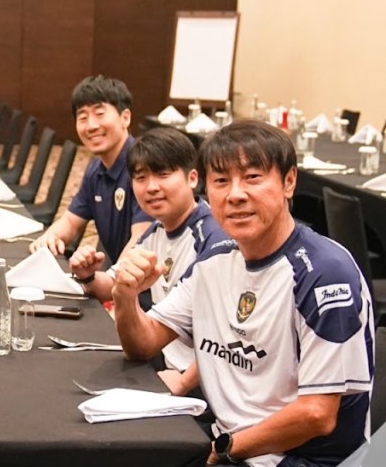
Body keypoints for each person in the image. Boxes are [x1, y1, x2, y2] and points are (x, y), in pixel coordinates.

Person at [112, 120, 374, 466]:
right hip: (230, 442)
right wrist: (125, 296)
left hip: (298, 459)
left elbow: (317, 415)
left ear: (289, 182)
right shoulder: (216, 260)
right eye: (221, 181)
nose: (235, 194)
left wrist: (225, 448)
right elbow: (143, 345)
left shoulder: (324, 273)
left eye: (252, 178)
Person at [69, 127, 230, 395]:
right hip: (160, 358)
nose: (152, 187)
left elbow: (228, 336)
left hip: (200, 384)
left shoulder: (213, 240)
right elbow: (113, 284)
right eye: (141, 178)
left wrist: (186, 382)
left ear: (192, 178)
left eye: (163, 175)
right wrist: (87, 275)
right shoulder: (156, 230)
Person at [29, 75, 153, 260]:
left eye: (100, 114)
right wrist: (50, 237)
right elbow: (71, 222)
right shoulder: (96, 170)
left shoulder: (144, 168)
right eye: (83, 117)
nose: (91, 126)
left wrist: (111, 281)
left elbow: (141, 239)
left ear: (125, 118)